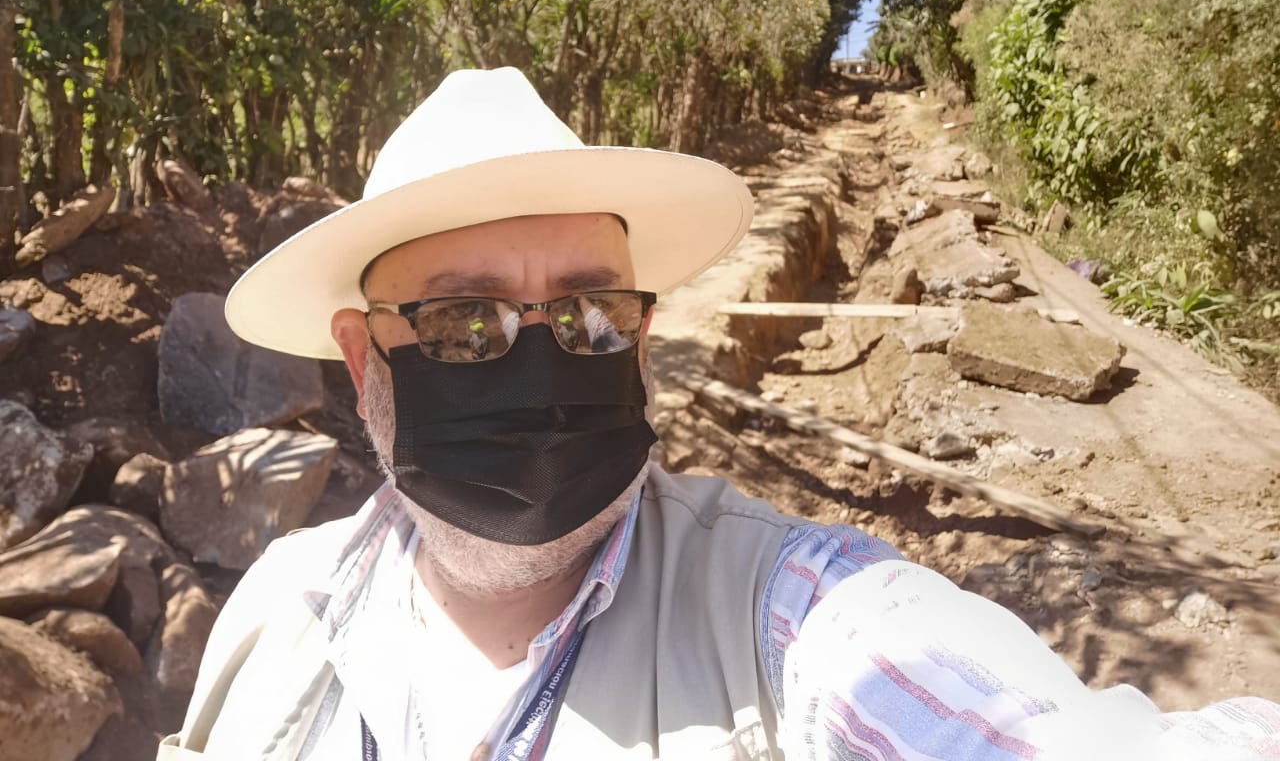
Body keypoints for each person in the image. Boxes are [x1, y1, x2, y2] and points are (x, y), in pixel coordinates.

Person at [160, 68, 1277, 761]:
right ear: (363, 358)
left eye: (590, 311)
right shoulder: (278, 610)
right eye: (462, 321)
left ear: (641, 335)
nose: (541, 361)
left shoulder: (789, 614)